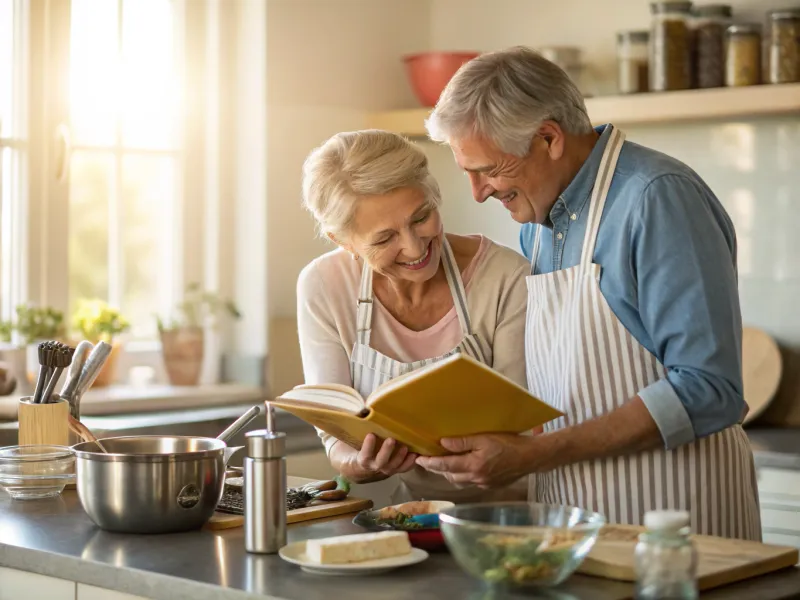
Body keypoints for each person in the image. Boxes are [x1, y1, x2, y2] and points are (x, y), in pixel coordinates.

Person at [415, 46, 761, 540]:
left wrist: (534, 455)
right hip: (571, 527)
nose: (478, 192)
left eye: (487, 169)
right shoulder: (536, 222)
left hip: (679, 527)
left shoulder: (656, 197)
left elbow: (710, 390)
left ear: (549, 138)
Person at [296, 129, 530, 504]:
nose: (414, 246)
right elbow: (335, 434)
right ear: (343, 242)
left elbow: (522, 428)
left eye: (421, 217)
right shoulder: (324, 286)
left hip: (500, 512)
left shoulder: (504, 276)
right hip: (389, 514)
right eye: (384, 238)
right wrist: (359, 463)